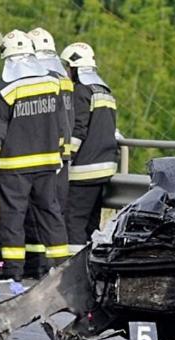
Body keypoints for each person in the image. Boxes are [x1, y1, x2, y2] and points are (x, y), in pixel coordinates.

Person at [0, 30, 69, 282]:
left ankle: (13, 271)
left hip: (14, 166)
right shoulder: (52, 83)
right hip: (46, 162)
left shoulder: (4, 88)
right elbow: (61, 123)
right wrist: (60, 152)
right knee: (50, 214)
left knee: (13, 218)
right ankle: (63, 269)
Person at [21, 27, 75, 278]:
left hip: (40, 155)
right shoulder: (63, 75)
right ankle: (57, 267)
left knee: (35, 214)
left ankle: (36, 265)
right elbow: (68, 118)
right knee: (54, 211)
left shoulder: (38, 76)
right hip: (61, 155)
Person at [60, 42, 118, 255]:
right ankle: (92, 264)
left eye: (67, 67)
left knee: (74, 221)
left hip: (84, 169)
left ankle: (72, 271)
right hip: (105, 168)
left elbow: (78, 129)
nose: (66, 72)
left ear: (75, 68)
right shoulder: (105, 91)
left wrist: (65, 156)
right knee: (91, 224)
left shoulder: (81, 91)